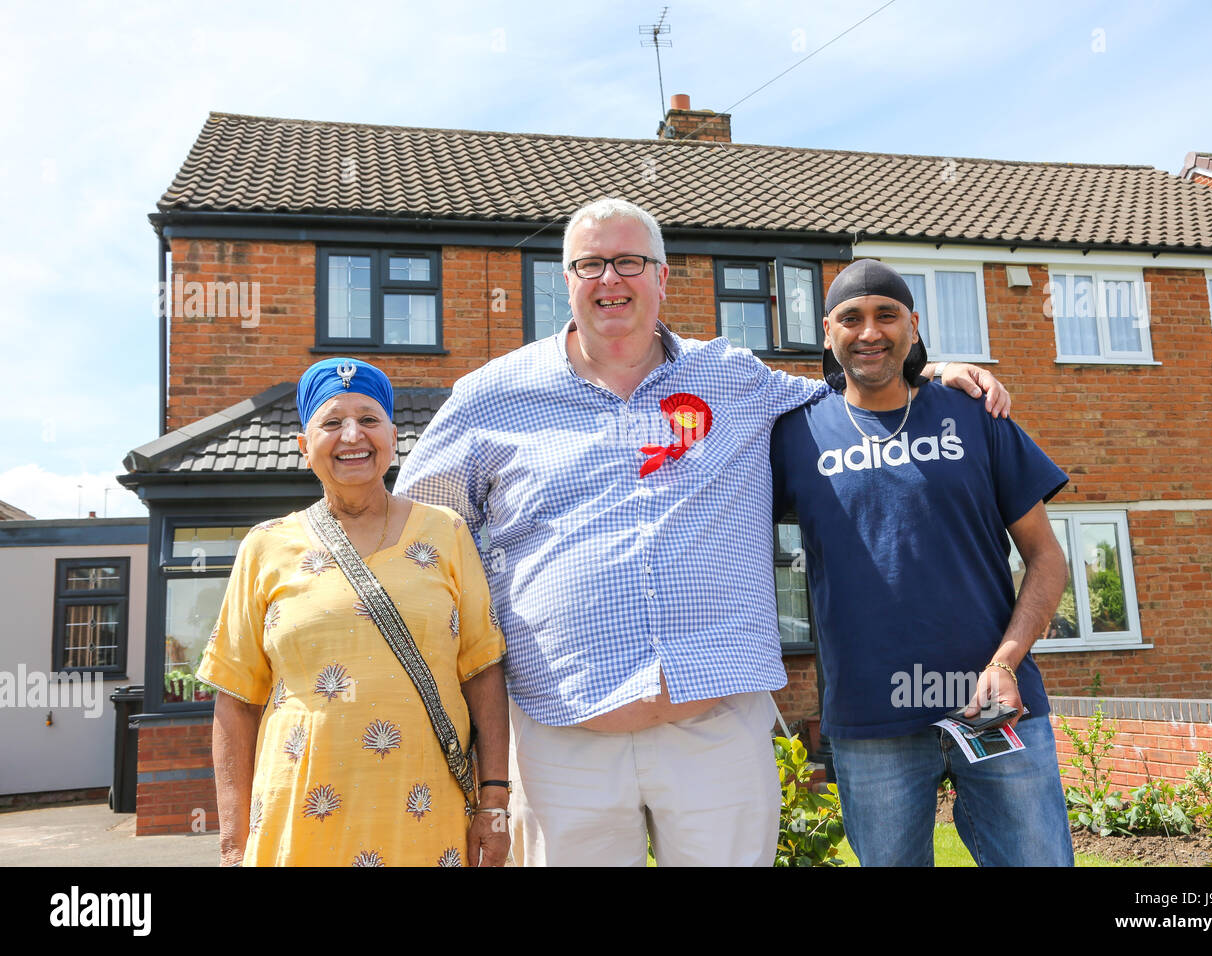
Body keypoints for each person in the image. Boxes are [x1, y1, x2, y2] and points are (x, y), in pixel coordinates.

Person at [395, 198, 1010, 867]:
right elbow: (418, 537)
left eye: (629, 262)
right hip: (561, 736)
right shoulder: (492, 395)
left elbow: (845, 397)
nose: (610, 280)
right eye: (590, 264)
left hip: (716, 731)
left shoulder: (733, 378)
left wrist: (928, 376)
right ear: (564, 279)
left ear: (662, 278)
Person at [770, 258, 1073, 866]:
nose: (870, 332)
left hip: (993, 704)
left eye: (887, 315)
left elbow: (1046, 559)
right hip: (869, 716)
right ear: (827, 332)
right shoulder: (796, 434)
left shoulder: (975, 416)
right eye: (851, 319)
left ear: (913, 323)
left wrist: (1006, 663)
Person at [199, 357, 510, 867]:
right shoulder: (265, 547)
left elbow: (483, 669)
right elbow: (235, 698)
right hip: (298, 815)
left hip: (427, 812)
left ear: (393, 436)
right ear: (304, 448)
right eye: (331, 422)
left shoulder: (447, 533)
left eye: (368, 420)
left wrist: (494, 802)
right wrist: (234, 846)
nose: (352, 436)